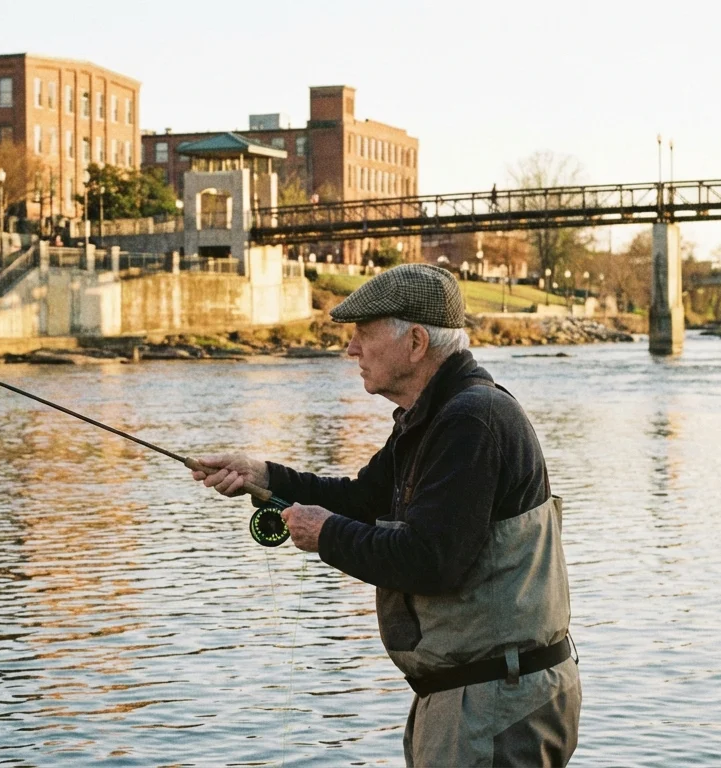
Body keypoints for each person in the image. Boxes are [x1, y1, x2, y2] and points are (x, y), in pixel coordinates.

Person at [192, 264, 579, 766]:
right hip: (474, 694)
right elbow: (362, 499)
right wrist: (263, 475)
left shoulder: (471, 420)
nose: (351, 349)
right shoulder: (436, 414)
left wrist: (324, 533)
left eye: (362, 334)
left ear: (416, 342)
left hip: (492, 703)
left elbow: (432, 560)